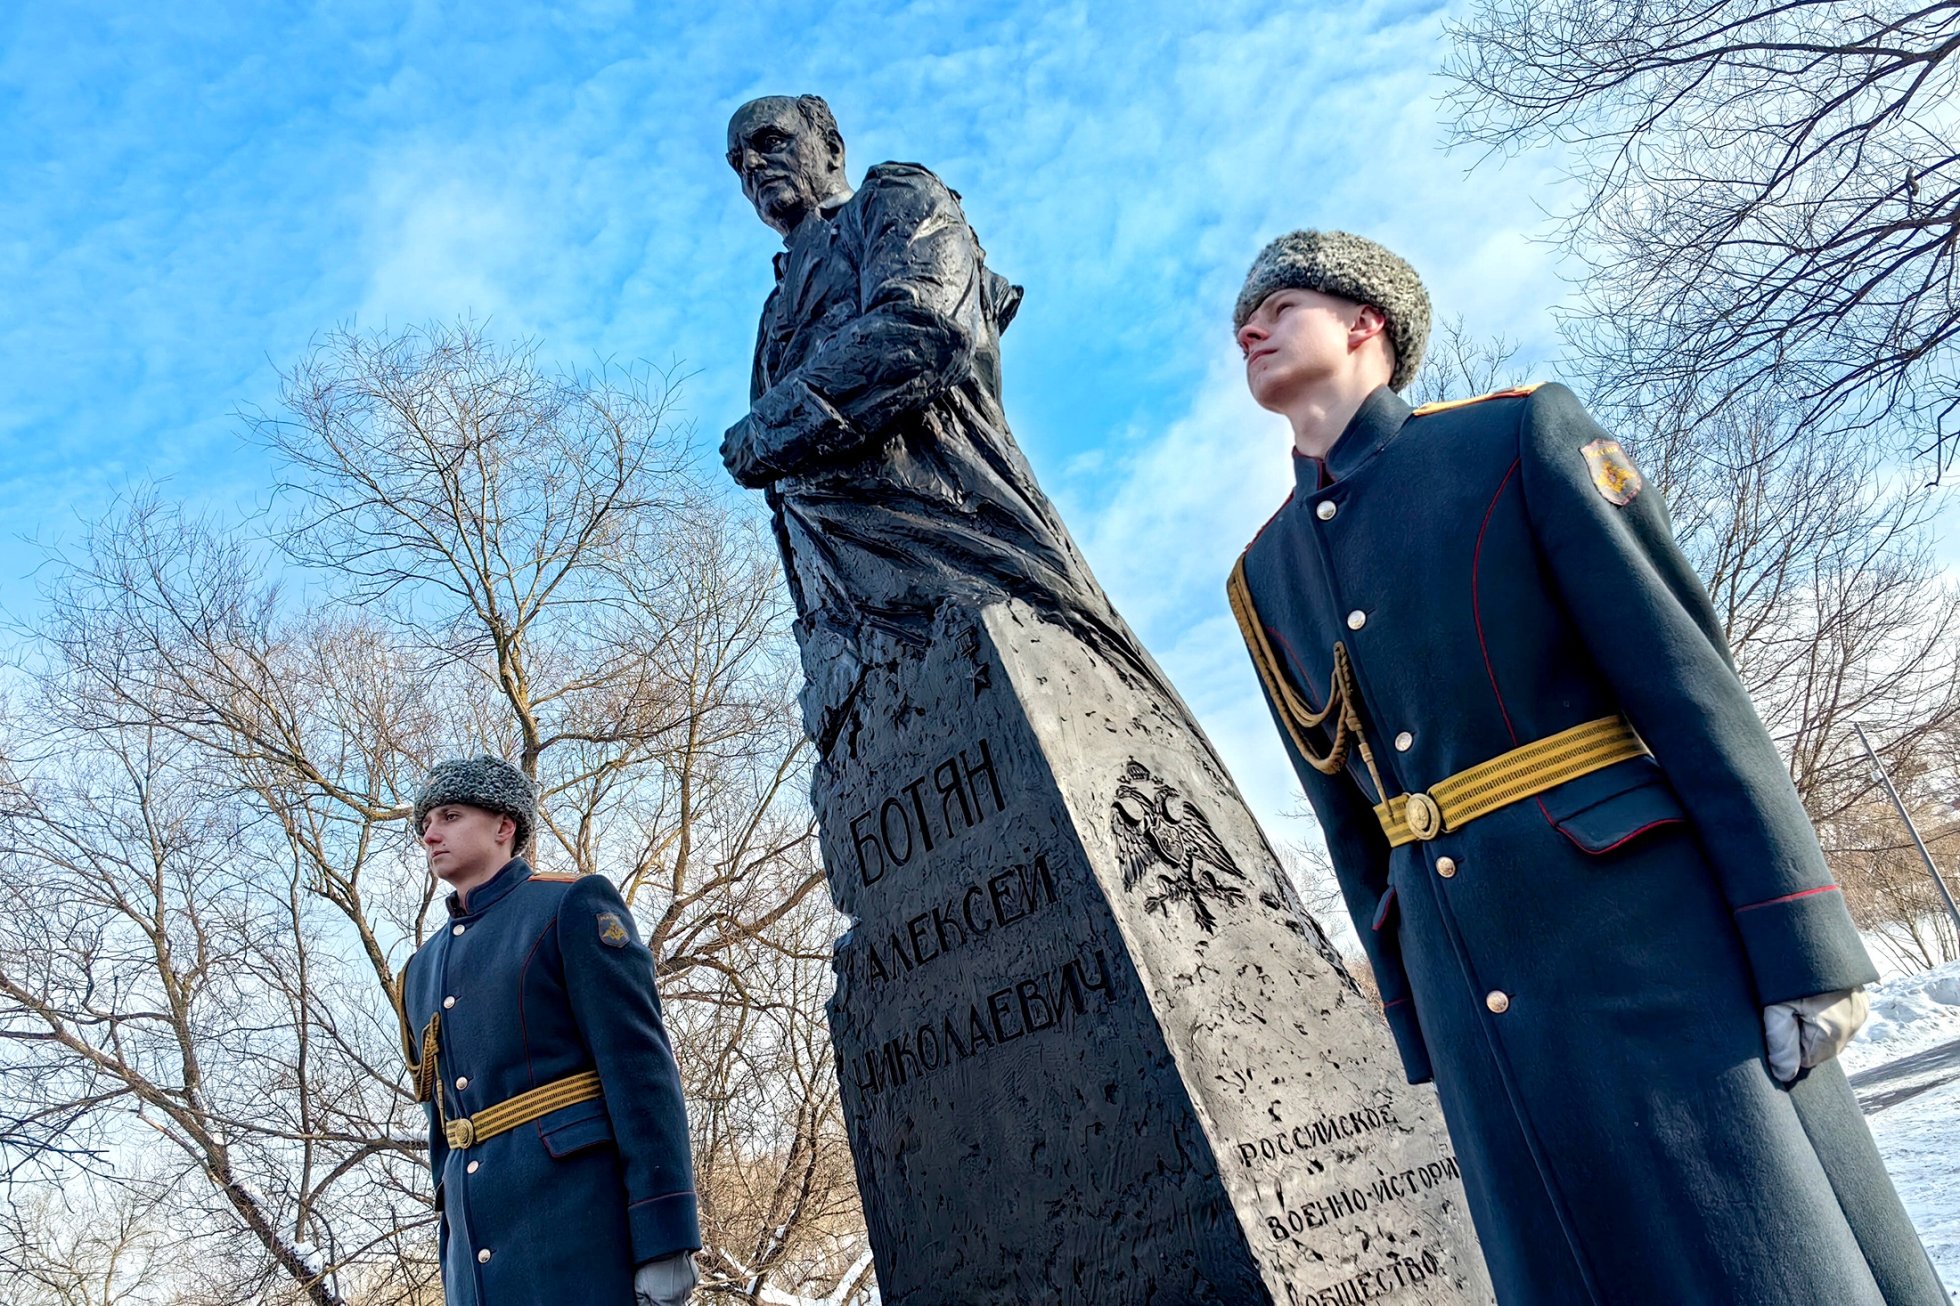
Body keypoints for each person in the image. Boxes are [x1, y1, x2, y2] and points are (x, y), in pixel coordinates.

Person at [1225, 230, 1945, 1304]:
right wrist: (1415, 1014)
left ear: (1365, 321)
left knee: (1754, 1246)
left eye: (1279, 304)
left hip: (1641, 935)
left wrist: (1799, 934)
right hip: (1469, 983)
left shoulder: (1514, 439)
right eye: (1243, 321)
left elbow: (1689, 689)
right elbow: (1350, 823)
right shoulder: (1262, 574)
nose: (1251, 328)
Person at [719, 94, 1170, 748]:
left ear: (832, 148)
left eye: (770, 141)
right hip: (852, 628)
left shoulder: (894, 200)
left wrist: (765, 429)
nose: (753, 166)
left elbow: (923, 329)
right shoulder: (772, 312)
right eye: (739, 162)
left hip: (961, 549)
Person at [394, 756, 700, 1305]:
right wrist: (453, 1262)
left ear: (504, 826)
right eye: (424, 825)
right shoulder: (420, 970)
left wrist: (666, 1237)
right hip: (478, 1259)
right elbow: (446, 1128)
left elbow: (640, 1071)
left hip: (579, 1229)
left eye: (449, 815)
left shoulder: (568, 904)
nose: (430, 835)